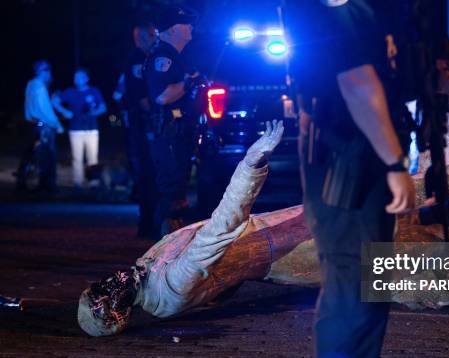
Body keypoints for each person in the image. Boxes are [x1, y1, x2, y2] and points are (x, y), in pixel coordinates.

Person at [288, 1, 416, 358]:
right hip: (347, 156)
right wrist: (395, 162)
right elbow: (356, 80)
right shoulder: (336, 8)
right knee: (353, 287)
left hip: (355, 153)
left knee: (367, 286)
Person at [77, 120, 290, 336]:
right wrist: (251, 165)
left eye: (100, 285)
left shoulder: (147, 276)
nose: (110, 281)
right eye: (106, 292)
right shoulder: (171, 286)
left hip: (271, 238)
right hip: (282, 243)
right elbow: (221, 229)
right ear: (118, 311)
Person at [144, 6, 199, 238]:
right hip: (168, 133)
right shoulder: (163, 57)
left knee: (178, 188)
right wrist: (189, 84)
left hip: (177, 133)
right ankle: (165, 249)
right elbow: (162, 95)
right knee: (172, 191)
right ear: (174, 29)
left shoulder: (175, 57)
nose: (191, 28)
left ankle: (171, 246)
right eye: (186, 24)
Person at [114, 22, 159, 238]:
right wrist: (156, 117)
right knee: (147, 174)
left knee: (149, 175)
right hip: (142, 127)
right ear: (140, 38)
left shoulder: (145, 59)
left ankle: (150, 223)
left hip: (142, 126)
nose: (155, 38)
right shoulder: (138, 61)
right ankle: (148, 224)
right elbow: (142, 98)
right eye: (151, 35)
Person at [53, 68, 107, 188]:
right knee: (77, 158)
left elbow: (103, 107)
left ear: (87, 78)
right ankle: (78, 181)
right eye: (75, 77)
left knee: (92, 157)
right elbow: (55, 101)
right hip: (75, 129)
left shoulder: (94, 91)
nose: (76, 79)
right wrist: (64, 111)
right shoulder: (69, 92)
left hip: (92, 130)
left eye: (80, 76)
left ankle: (93, 181)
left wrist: (95, 112)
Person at [16, 60, 64, 192]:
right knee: (48, 155)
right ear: (42, 71)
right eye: (47, 70)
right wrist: (57, 124)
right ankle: (47, 185)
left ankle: (22, 182)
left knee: (31, 153)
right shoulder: (40, 86)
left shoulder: (30, 84)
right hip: (44, 126)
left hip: (32, 124)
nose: (50, 73)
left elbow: (28, 105)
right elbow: (45, 109)